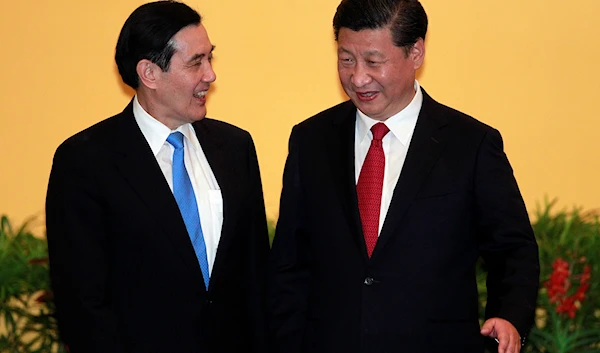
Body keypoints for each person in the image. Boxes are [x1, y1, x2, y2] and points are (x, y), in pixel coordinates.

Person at [268, 0, 539, 352]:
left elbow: (513, 250)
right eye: (346, 59)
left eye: (373, 61)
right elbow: (290, 264)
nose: (357, 77)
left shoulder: (470, 145)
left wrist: (510, 316)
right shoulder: (311, 140)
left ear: (416, 52)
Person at [45, 2, 269, 352]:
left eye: (210, 58)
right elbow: (82, 305)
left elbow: (256, 278)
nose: (210, 75)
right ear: (149, 73)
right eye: (196, 62)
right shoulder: (85, 162)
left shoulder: (235, 147)